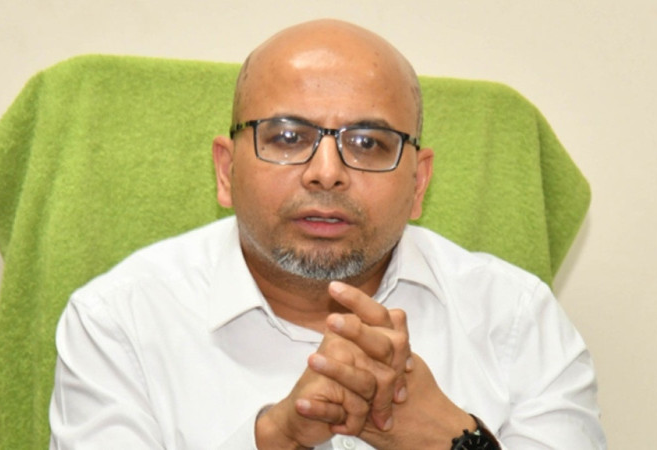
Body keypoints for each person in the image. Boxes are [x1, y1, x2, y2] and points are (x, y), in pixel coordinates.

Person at [49, 19, 606, 449]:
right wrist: (274, 440)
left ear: (419, 183)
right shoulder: (117, 321)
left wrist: (452, 442)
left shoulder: (517, 317)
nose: (326, 172)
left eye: (368, 143)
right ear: (226, 170)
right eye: (287, 136)